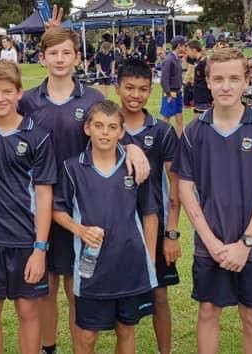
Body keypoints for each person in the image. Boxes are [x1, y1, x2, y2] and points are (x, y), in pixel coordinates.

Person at [0, 20, 149, 354]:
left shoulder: (93, 97)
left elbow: (112, 129)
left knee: (75, 285)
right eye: (53, 53)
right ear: (43, 57)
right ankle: (49, 348)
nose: (60, 59)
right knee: (45, 284)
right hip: (37, 208)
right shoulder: (29, 100)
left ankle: (80, 346)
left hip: (81, 206)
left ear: (77, 57)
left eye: (67, 53)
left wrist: (133, 146)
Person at [173, 47, 252, 354]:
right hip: (211, 244)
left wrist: (245, 243)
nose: (226, 86)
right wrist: (211, 242)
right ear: (207, 81)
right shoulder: (195, 132)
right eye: (218, 78)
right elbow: (185, 189)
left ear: (247, 80)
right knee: (208, 311)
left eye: (234, 78)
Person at [52, 100, 158, 354]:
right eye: (98, 126)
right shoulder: (72, 167)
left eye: (112, 127)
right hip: (92, 271)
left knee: (126, 329)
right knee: (87, 336)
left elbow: (150, 214)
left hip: (130, 265)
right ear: (87, 128)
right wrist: (79, 230)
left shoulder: (135, 167)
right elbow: (57, 209)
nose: (105, 133)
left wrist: (150, 259)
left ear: (121, 132)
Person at [0, 61, 55, 354]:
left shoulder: (37, 136)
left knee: (28, 310)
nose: (0, 98)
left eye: (7, 91)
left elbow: (43, 195)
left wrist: (40, 248)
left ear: (19, 93)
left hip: (25, 240)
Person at [115, 60, 181, 354]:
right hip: (116, 229)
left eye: (142, 89)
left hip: (155, 227)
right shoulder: (104, 127)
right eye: (129, 87)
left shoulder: (163, 132)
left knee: (159, 296)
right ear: (117, 87)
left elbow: (175, 185)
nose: (135, 95)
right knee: (121, 299)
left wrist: (172, 233)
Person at [161, 36, 186, 136]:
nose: (185, 48)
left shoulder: (176, 58)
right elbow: (164, 79)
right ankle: (161, 138)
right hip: (170, 92)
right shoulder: (169, 59)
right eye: (184, 45)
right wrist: (168, 94)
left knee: (179, 114)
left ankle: (180, 137)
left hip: (178, 91)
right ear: (179, 46)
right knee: (167, 117)